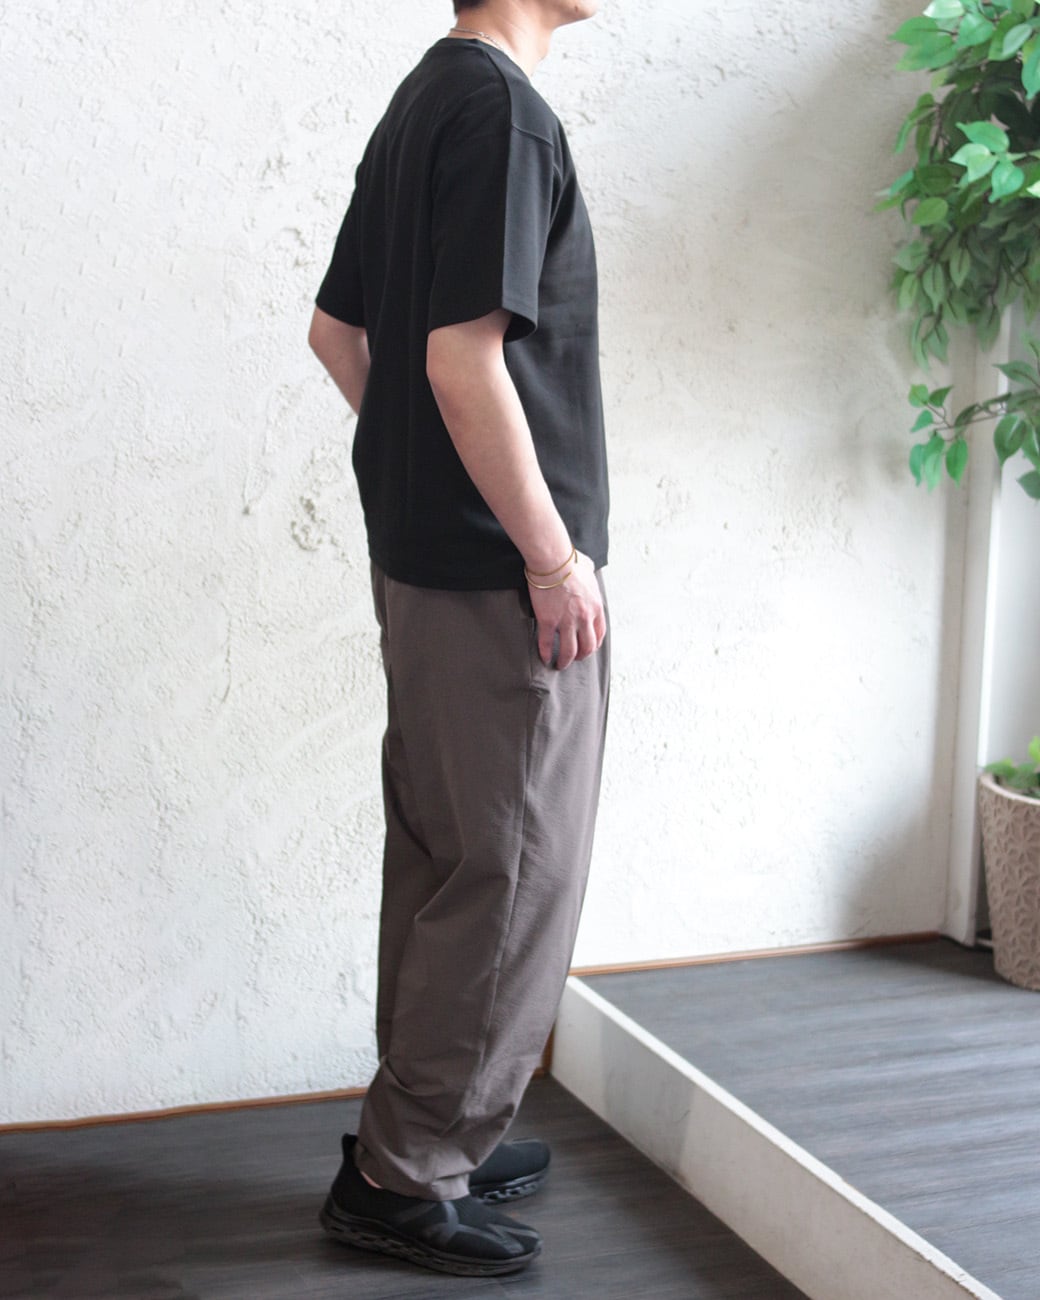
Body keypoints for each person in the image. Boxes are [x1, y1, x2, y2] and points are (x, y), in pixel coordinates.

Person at [308, 0, 609, 1277]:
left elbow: (337, 334)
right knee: (510, 872)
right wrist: (547, 556)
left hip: (426, 563)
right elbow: (457, 362)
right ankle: (405, 1170)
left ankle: (429, 1128)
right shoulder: (502, 113)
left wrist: (429, 479)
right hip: (497, 580)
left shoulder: (425, 97)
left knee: (448, 859)